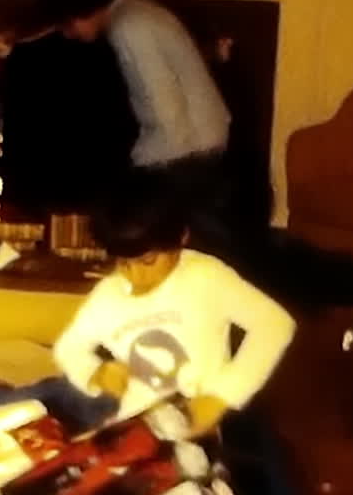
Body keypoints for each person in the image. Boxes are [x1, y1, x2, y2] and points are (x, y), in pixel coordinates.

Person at [37, 0, 243, 266]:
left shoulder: (129, 28)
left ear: (81, 8)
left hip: (186, 158)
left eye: (66, 23)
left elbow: (165, 109)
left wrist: (136, 171)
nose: (69, 33)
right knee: (205, 259)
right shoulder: (143, 15)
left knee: (168, 249)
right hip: (201, 150)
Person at [52, 186, 296, 440]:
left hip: (198, 436)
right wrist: (96, 372)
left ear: (181, 238)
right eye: (123, 263)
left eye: (148, 261)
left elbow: (275, 324)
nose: (137, 275)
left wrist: (222, 395)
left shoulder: (204, 275)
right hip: (132, 431)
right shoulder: (107, 294)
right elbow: (68, 348)